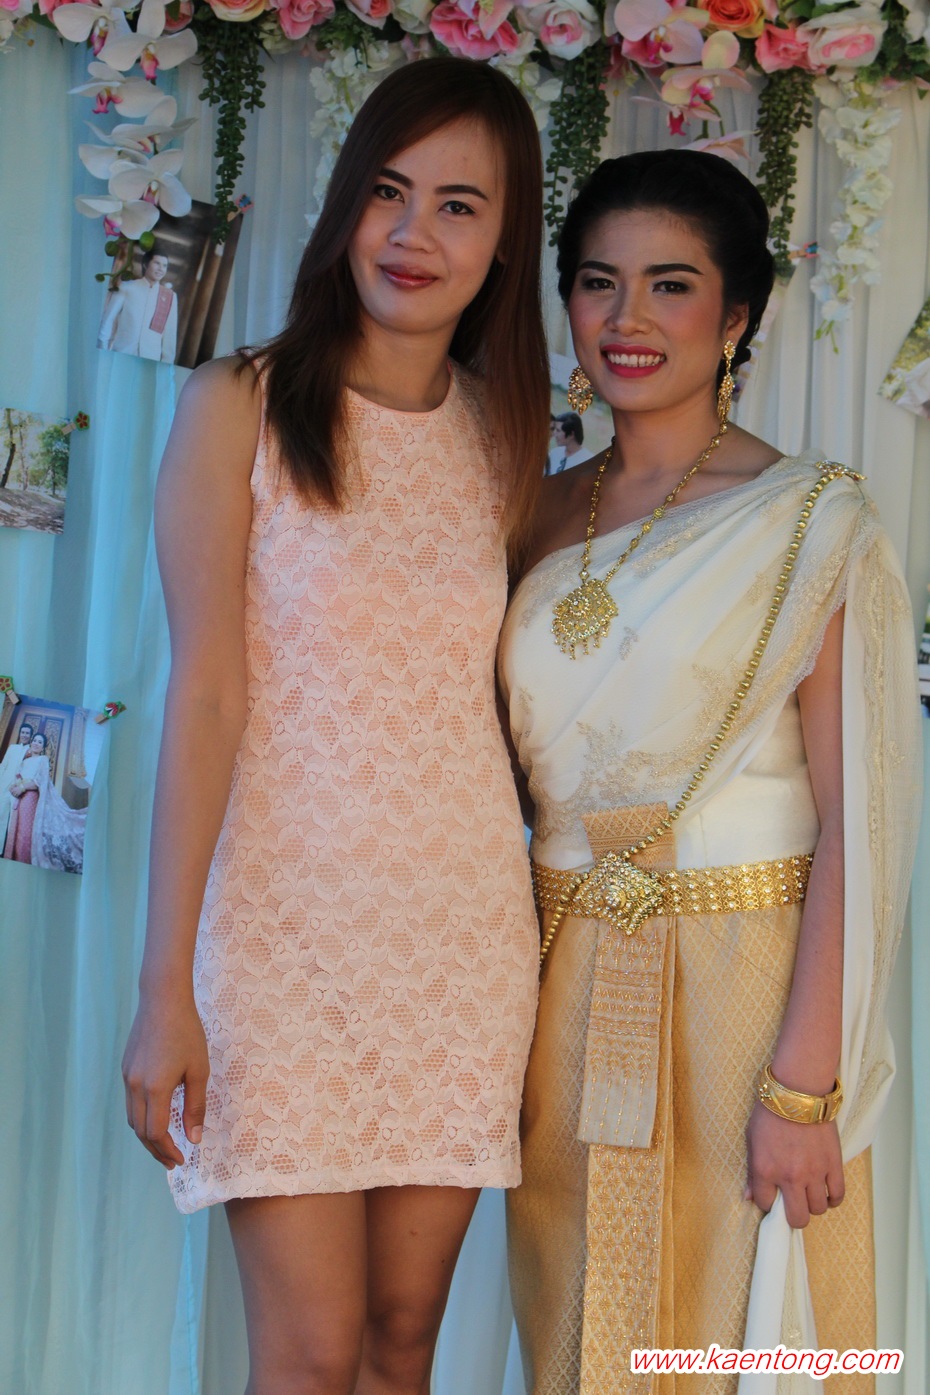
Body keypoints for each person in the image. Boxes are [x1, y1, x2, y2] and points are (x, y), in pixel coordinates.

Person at [121, 57, 549, 1395]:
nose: (414, 234)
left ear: (505, 240)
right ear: (346, 204)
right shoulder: (236, 404)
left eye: (459, 205)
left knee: (402, 1339)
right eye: (387, 191)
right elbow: (205, 698)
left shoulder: (507, 441)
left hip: (461, 938)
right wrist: (162, 988)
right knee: (307, 1355)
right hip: (280, 939)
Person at [498, 150, 921, 1393]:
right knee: (579, 1333)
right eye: (597, 282)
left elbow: (862, 823)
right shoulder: (527, 513)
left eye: (670, 285)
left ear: (736, 314)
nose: (627, 318)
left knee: (744, 1335)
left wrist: (804, 1088)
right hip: (561, 992)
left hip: (752, 982)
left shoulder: (811, 520)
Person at [3, 730, 86, 871]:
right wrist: (14, 786)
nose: (36, 743)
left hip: (30, 797)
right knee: (15, 831)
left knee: (24, 832)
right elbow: (18, 777)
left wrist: (22, 787)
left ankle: (24, 865)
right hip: (17, 798)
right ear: (31, 742)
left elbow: (40, 781)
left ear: (43, 747)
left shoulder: (43, 759)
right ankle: (13, 864)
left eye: (40, 742)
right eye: (34, 740)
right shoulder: (24, 761)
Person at [97, 248, 179, 363]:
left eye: (164, 266)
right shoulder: (127, 287)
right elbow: (108, 320)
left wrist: (166, 364)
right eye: (157, 263)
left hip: (149, 361)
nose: (161, 269)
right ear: (145, 264)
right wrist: (103, 350)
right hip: (122, 354)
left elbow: (170, 335)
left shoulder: (170, 296)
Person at [0, 721, 35, 850]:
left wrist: (21, 786)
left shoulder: (31, 750)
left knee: (13, 820)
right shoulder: (12, 748)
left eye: (27, 733)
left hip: (19, 788)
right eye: (23, 732)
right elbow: (3, 765)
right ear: (19, 733)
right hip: (4, 784)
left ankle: (7, 850)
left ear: (30, 736)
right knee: (1, 814)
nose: (24, 735)